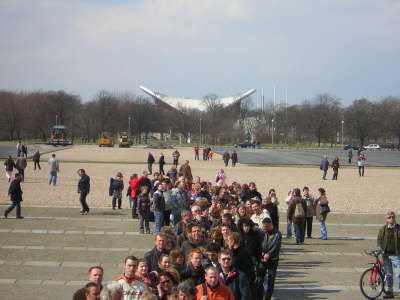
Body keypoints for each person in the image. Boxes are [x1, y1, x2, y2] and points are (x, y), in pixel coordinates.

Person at [256, 217, 282, 300]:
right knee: (260, 279)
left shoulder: (277, 234)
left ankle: (268, 297)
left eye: (267, 227)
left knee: (271, 279)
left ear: (271, 225)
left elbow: (276, 246)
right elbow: (258, 244)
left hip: (273, 259)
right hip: (262, 259)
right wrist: (261, 252)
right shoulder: (261, 233)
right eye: (264, 227)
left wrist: (269, 254)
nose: (265, 229)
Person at [377, 211, 400, 299]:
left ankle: (399, 291)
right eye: (389, 217)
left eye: (393, 217)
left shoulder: (398, 228)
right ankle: (390, 291)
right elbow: (379, 240)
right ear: (386, 219)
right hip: (385, 255)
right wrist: (379, 248)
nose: (391, 219)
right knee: (389, 274)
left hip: (396, 255)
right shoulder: (382, 229)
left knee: (398, 273)